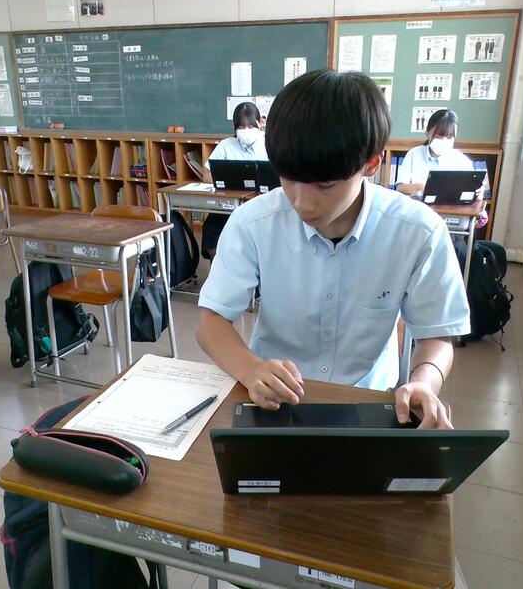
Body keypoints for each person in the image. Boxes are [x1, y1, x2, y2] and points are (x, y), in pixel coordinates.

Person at [196, 70, 470, 429]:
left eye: (324, 185)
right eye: (288, 178)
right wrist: (250, 369)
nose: (301, 202)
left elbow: (436, 333)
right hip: (272, 399)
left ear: (371, 164)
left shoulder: (418, 232)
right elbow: (211, 321)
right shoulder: (253, 223)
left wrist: (424, 382)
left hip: (368, 401)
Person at [395, 109, 487, 267]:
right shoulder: (414, 155)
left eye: (450, 137)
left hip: (450, 225)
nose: (444, 140)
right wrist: (420, 186)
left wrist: (477, 194)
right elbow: (400, 188)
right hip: (417, 221)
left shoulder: (462, 161)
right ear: (428, 133)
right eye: (439, 136)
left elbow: (473, 199)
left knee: (456, 252)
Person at [200, 101, 267, 259]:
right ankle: (219, 267)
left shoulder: (271, 144)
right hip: (230, 206)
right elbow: (206, 175)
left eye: (250, 126)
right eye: (241, 127)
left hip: (262, 205)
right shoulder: (226, 145)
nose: (246, 131)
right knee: (211, 228)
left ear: (260, 123)